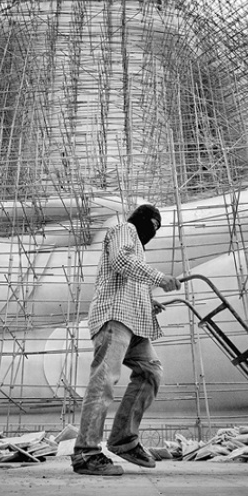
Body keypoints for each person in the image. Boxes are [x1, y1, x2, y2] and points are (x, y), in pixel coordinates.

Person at [72, 203, 181, 476]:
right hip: (114, 318)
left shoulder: (138, 248)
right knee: (105, 380)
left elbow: (129, 279)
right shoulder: (125, 229)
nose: (153, 231)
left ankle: (123, 439)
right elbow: (121, 261)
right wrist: (159, 278)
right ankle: (86, 453)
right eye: (153, 225)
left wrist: (148, 301)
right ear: (141, 219)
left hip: (135, 323)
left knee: (151, 371)